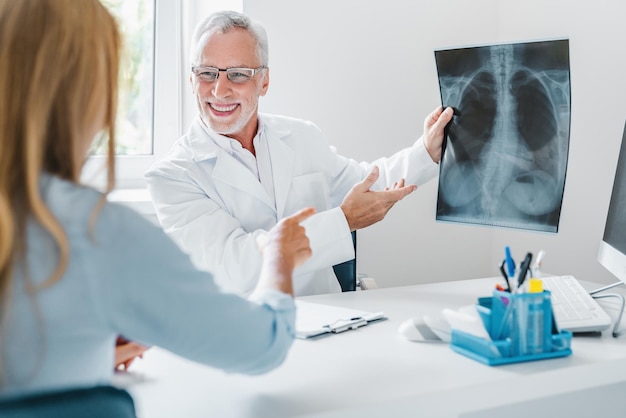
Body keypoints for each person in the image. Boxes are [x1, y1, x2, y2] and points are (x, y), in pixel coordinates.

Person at [0, 0, 313, 398]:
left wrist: (76, 348)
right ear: (93, 97)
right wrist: (279, 257)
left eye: (237, 73)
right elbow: (262, 345)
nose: (221, 88)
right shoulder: (100, 233)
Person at [145, 10, 454, 297]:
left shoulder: (302, 136)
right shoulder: (172, 177)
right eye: (207, 73)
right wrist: (341, 222)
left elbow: (368, 184)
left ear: (264, 80)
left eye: (238, 74)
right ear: (191, 79)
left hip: (328, 320)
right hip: (243, 336)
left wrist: (426, 151)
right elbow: (235, 269)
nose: (219, 90)